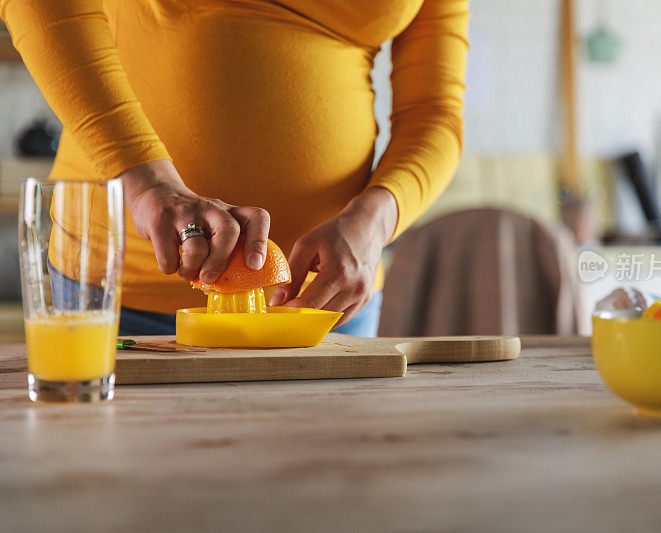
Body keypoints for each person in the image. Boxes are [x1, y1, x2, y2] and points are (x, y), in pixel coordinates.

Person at [1, 0, 468, 336]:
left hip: (323, 307)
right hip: (119, 293)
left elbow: (435, 112)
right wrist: (146, 184)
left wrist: (375, 221)